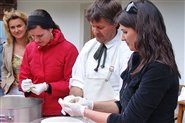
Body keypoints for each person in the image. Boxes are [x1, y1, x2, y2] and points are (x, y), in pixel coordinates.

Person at [59, 0, 181, 123]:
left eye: (125, 32)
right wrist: (88, 104)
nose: (122, 38)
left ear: (143, 31)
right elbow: (122, 106)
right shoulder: (136, 59)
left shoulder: (159, 69)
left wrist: (83, 111)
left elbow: (128, 120)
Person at [18, 9, 78, 116]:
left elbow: (73, 83)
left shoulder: (69, 49)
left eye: (40, 36)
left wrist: (48, 87)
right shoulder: (30, 48)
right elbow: (23, 76)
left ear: (50, 29)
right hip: (35, 109)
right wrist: (24, 85)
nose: (36, 40)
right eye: (32, 36)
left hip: (60, 111)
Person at [69, 0, 132, 102]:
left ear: (115, 23)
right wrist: (75, 100)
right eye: (92, 26)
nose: (95, 31)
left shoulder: (126, 49)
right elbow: (77, 82)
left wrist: (92, 106)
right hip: (85, 113)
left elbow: (124, 96)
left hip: (114, 115)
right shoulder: (88, 47)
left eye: (100, 27)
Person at [1, 9, 30, 95]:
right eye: (12, 27)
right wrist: (4, 82)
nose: (16, 30)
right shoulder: (7, 47)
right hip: (13, 90)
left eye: (19, 26)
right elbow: (4, 68)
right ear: (8, 29)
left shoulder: (35, 44)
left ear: (26, 25)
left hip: (33, 90)